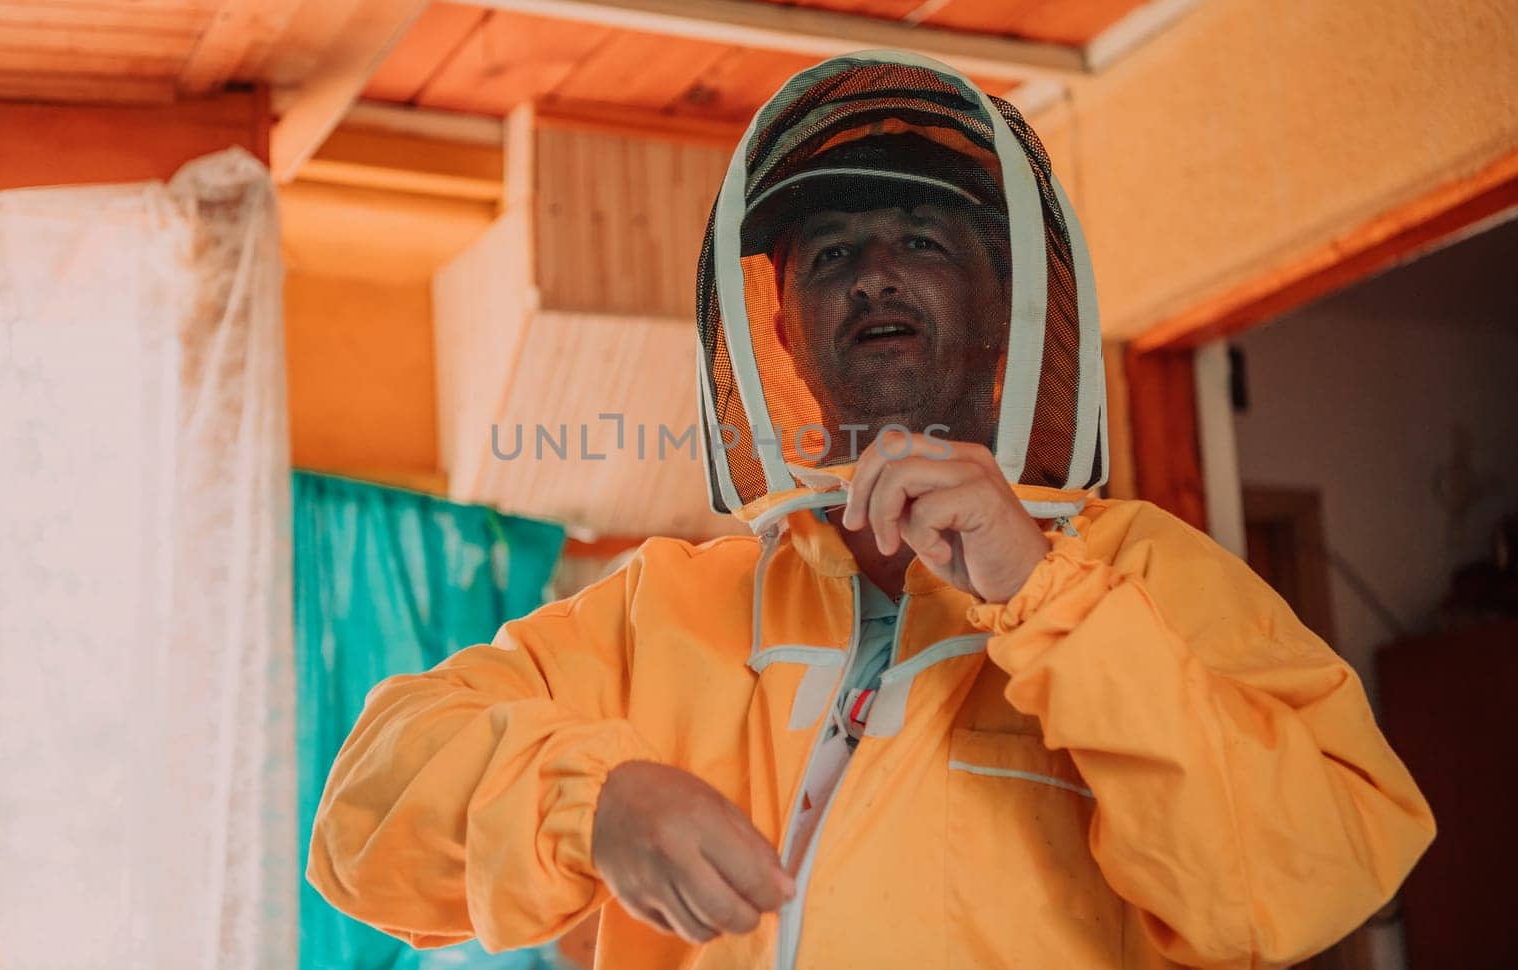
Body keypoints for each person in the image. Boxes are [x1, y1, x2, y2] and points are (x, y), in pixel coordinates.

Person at [308, 52, 1434, 969]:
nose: (874, 276)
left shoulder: (1146, 574)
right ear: (784, 331)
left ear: (1001, 304)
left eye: (921, 243)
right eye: (833, 253)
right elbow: (365, 812)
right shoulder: (670, 603)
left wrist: (1045, 593)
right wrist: (589, 804)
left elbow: (1303, 879)